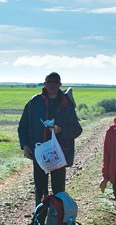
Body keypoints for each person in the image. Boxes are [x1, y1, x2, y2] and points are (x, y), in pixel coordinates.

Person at [18, 71, 83, 211]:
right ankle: (40, 220)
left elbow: (77, 129)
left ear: (60, 84)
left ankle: (57, 223)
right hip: (39, 154)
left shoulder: (67, 104)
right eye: (49, 82)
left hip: (58, 154)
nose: (52, 85)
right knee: (40, 189)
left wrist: (61, 130)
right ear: (45, 84)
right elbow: (23, 126)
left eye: (55, 82)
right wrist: (25, 146)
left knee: (59, 190)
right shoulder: (34, 102)